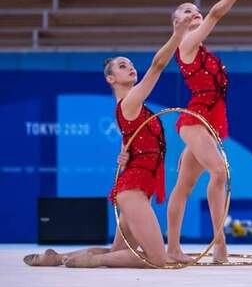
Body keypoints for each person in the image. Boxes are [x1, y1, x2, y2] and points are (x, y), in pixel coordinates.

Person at [24, 14, 193, 268]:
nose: (131, 67)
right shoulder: (131, 102)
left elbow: (129, 147)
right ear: (111, 79)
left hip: (136, 187)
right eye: (123, 66)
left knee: (119, 251)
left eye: (130, 64)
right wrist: (178, 35)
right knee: (158, 259)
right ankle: (90, 261)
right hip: (134, 189)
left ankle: (58, 257)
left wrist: (124, 156)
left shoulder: (131, 108)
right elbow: (157, 66)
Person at [167, 0, 250, 264]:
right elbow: (214, 16)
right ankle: (220, 244)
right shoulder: (186, 44)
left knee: (184, 185)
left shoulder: (203, 50)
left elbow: (210, 17)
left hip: (211, 121)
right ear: (178, 23)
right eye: (188, 11)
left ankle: (173, 248)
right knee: (219, 172)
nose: (196, 13)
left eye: (196, 10)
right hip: (195, 119)